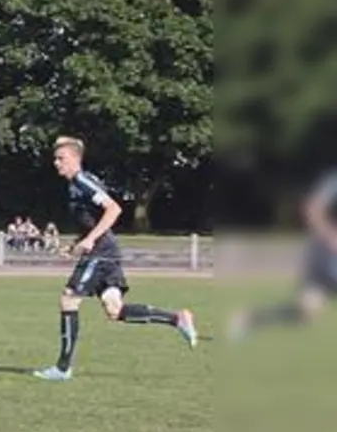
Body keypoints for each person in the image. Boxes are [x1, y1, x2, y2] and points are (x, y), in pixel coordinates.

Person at [32, 137, 197, 381]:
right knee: (114, 310)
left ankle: (63, 368)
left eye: (61, 158)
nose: (56, 163)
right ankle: (177, 319)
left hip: (101, 251)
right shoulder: (75, 185)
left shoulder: (82, 180)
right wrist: (76, 243)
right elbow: (93, 219)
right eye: (55, 158)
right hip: (105, 249)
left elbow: (114, 209)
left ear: (75, 159)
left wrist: (89, 242)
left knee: (69, 300)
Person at [228, 170, 337, 340]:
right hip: (324, 260)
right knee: (305, 312)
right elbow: (313, 208)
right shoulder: (332, 181)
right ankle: (250, 318)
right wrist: (329, 236)